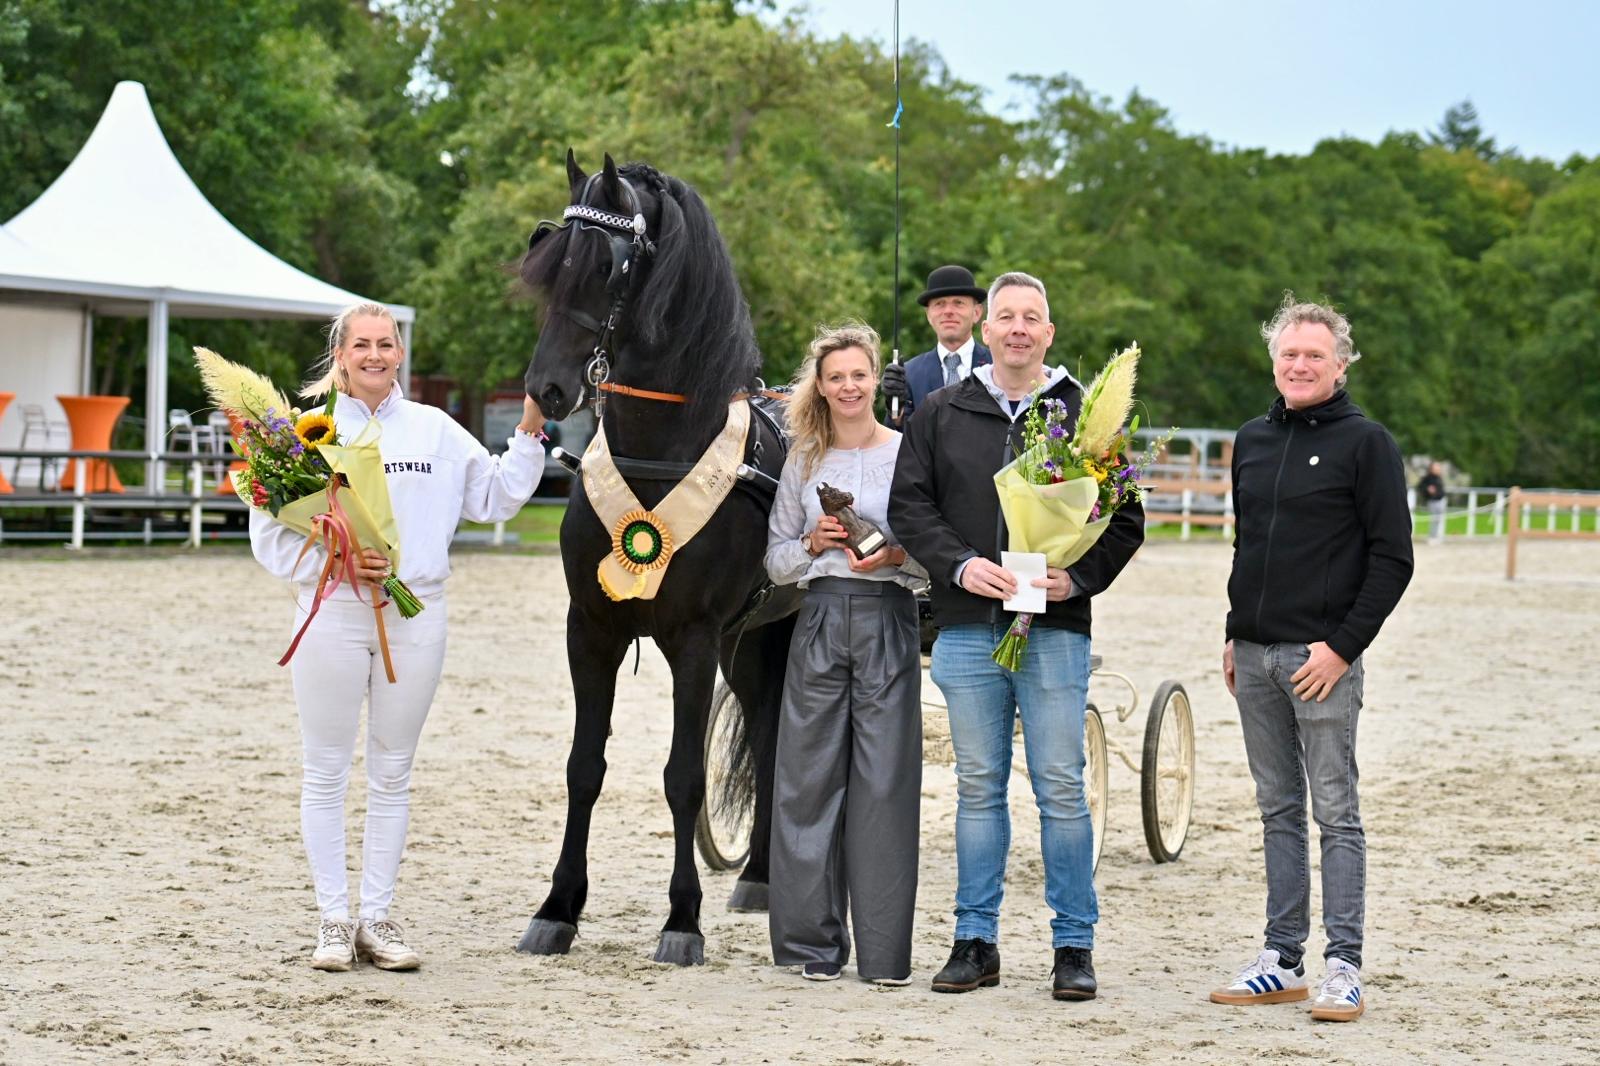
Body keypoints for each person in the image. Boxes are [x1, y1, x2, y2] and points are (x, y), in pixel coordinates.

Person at [249, 302, 546, 972]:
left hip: (417, 616)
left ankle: (377, 917)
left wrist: (530, 429)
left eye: (386, 344)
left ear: (400, 353)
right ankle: (333, 920)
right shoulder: (305, 434)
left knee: (392, 771)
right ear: (341, 354)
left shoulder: (436, 429)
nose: (375, 355)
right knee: (326, 768)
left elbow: (495, 497)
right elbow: (268, 536)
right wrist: (337, 561)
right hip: (332, 611)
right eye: (362, 345)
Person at [890, 272, 1145, 1001]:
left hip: (1054, 629)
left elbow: (1125, 518)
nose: (1019, 329)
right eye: (1007, 317)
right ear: (986, 329)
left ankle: (1073, 945)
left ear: (1049, 333)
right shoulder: (941, 410)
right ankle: (975, 941)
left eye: (1032, 317)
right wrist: (961, 565)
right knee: (978, 789)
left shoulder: (1085, 414)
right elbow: (911, 506)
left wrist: (1078, 579)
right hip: (970, 627)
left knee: (1061, 787)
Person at [1212, 294, 1413, 1022]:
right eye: (1289, 354)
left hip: (1321, 658)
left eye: (1315, 356)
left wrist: (1342, 648)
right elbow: (1249, 546)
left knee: (1336, 811)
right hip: (1254, 656)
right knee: (1277, 809)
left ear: (1341, 364)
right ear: (1274, 360)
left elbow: (1393, 559)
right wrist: (1234, 632)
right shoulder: (1251, 439)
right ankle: (1282, 958)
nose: (1300, 365)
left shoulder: (1368, 445)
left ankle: (1343, 965)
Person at [764, 322, 928, 985]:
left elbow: (933, 557)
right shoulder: (803, 461)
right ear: (822, 386)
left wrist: (896, 556)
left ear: (875, 379)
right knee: (806, 781)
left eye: (859, 374)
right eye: (837, 377)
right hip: (821, 618)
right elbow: (775, 560)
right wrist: (811, 545)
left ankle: (884, 956)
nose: (849, 386)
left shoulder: (908, 453)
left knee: (886, 785)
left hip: (889, 618)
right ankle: (812, 946)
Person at [880, 264, 991, 427]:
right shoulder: (909, 375)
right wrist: (895, 411)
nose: (948, 311)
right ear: (928, 315)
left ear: (977, 312)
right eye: (939, 304)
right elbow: (898, 436)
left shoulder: (997, 366)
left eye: (958, 303)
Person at [1418, 460, 1447, 543]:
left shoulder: (1439, 477)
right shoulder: (1427, 478)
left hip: (1441, 500)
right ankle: (1432, 537)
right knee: (1434, 519)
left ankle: (1438, 536)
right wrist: (1428, 489)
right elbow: (1420, 487)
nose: (1438, 469)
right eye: (1436, 468)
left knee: (1440, 520)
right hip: (1433, 501)